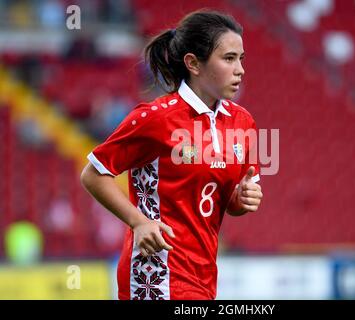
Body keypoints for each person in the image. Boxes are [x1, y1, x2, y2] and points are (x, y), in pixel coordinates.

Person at [80, 10, 263, 300]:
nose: (240, 69)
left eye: (241, 58)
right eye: (229, 59)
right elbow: (93, 174)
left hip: (203, 276)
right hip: (155, 274)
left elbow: (230, 203)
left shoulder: (242, 122)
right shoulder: (155, 119)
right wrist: (138, 221)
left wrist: (243, 198)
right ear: (193, 63)